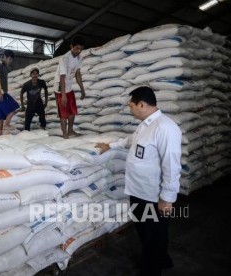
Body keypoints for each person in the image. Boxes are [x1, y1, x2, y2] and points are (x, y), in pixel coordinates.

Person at [95, 86, 182, 276]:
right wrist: (110, 145)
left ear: (141, 104)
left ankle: (151, 269)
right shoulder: (146, 125)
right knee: (150, 232)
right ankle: (162, 259)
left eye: (131, 105)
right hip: (138, 191)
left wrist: (167, 198)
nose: (130, 109)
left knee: (152, 235)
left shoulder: (165, 128)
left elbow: (172, 166)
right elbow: (130, 140)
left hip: (152, 195)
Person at [53, 36, 86, 139]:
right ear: (71, 46)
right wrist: (63, 95)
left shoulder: (79, 58)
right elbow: (62, 77)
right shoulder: (64, 59)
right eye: (77, 48)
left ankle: (70, 130)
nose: (79, 51)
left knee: (72, 110)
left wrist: (82, 89)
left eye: (81, 49)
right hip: (59, 87)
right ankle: (64, 133)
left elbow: (78, 74)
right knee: (63, 112)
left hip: (69, 86)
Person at [0, 49, 19, 135]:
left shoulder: (3, 66)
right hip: (0, 93)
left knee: (0, 117)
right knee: (14, 107)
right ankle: (7, 125)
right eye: (10, 59)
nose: (10, 62)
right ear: (6, 57)